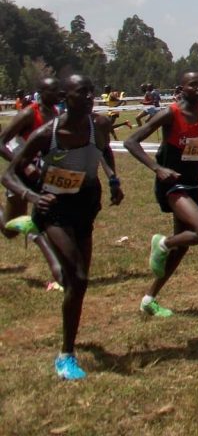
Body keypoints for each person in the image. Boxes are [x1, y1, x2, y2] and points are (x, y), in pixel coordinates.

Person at [1, 74, 123, 379]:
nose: (89, 96)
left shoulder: (101, 125)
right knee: (78, 278)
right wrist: (31, 195)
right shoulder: (46, 133)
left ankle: (70, 340)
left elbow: (105, 149)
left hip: (86, 207)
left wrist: (112, 178)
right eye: (81, 92)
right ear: (66, 98)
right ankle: (65, 355)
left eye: (91, 91)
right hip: (54, 209)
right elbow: (8, 175)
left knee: (76, 283)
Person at [123, 71, 198, 317]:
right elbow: (131, 141)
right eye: (193, 84)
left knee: (183, 246)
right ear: (182, 88)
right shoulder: (170, 114)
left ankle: (148, 299)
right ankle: (162, 242)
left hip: (193, 184)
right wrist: (157, 168)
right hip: (172, 184)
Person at [1, 76, 65, 289]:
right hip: (20, 174)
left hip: (42, 175)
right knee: (10, 231)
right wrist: (22, 163)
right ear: (41, 93)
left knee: (51, 218)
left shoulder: (56, 113)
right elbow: (1, 141)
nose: (58, 93)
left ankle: (62, 271)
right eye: (54, 90)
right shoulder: (29, 113)